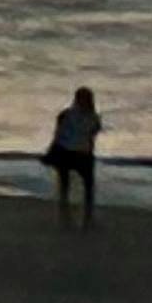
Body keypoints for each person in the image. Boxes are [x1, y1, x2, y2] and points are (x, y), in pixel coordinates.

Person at [44, 86, 102, 226]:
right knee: (87, 187)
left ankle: (66, 215)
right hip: (82, 154)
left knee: (66, 185)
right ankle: (86, 218)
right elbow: (92, 137)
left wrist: (52, 149)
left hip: (67, 152)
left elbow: (58, 135)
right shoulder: (94, 117)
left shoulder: (66, 114)